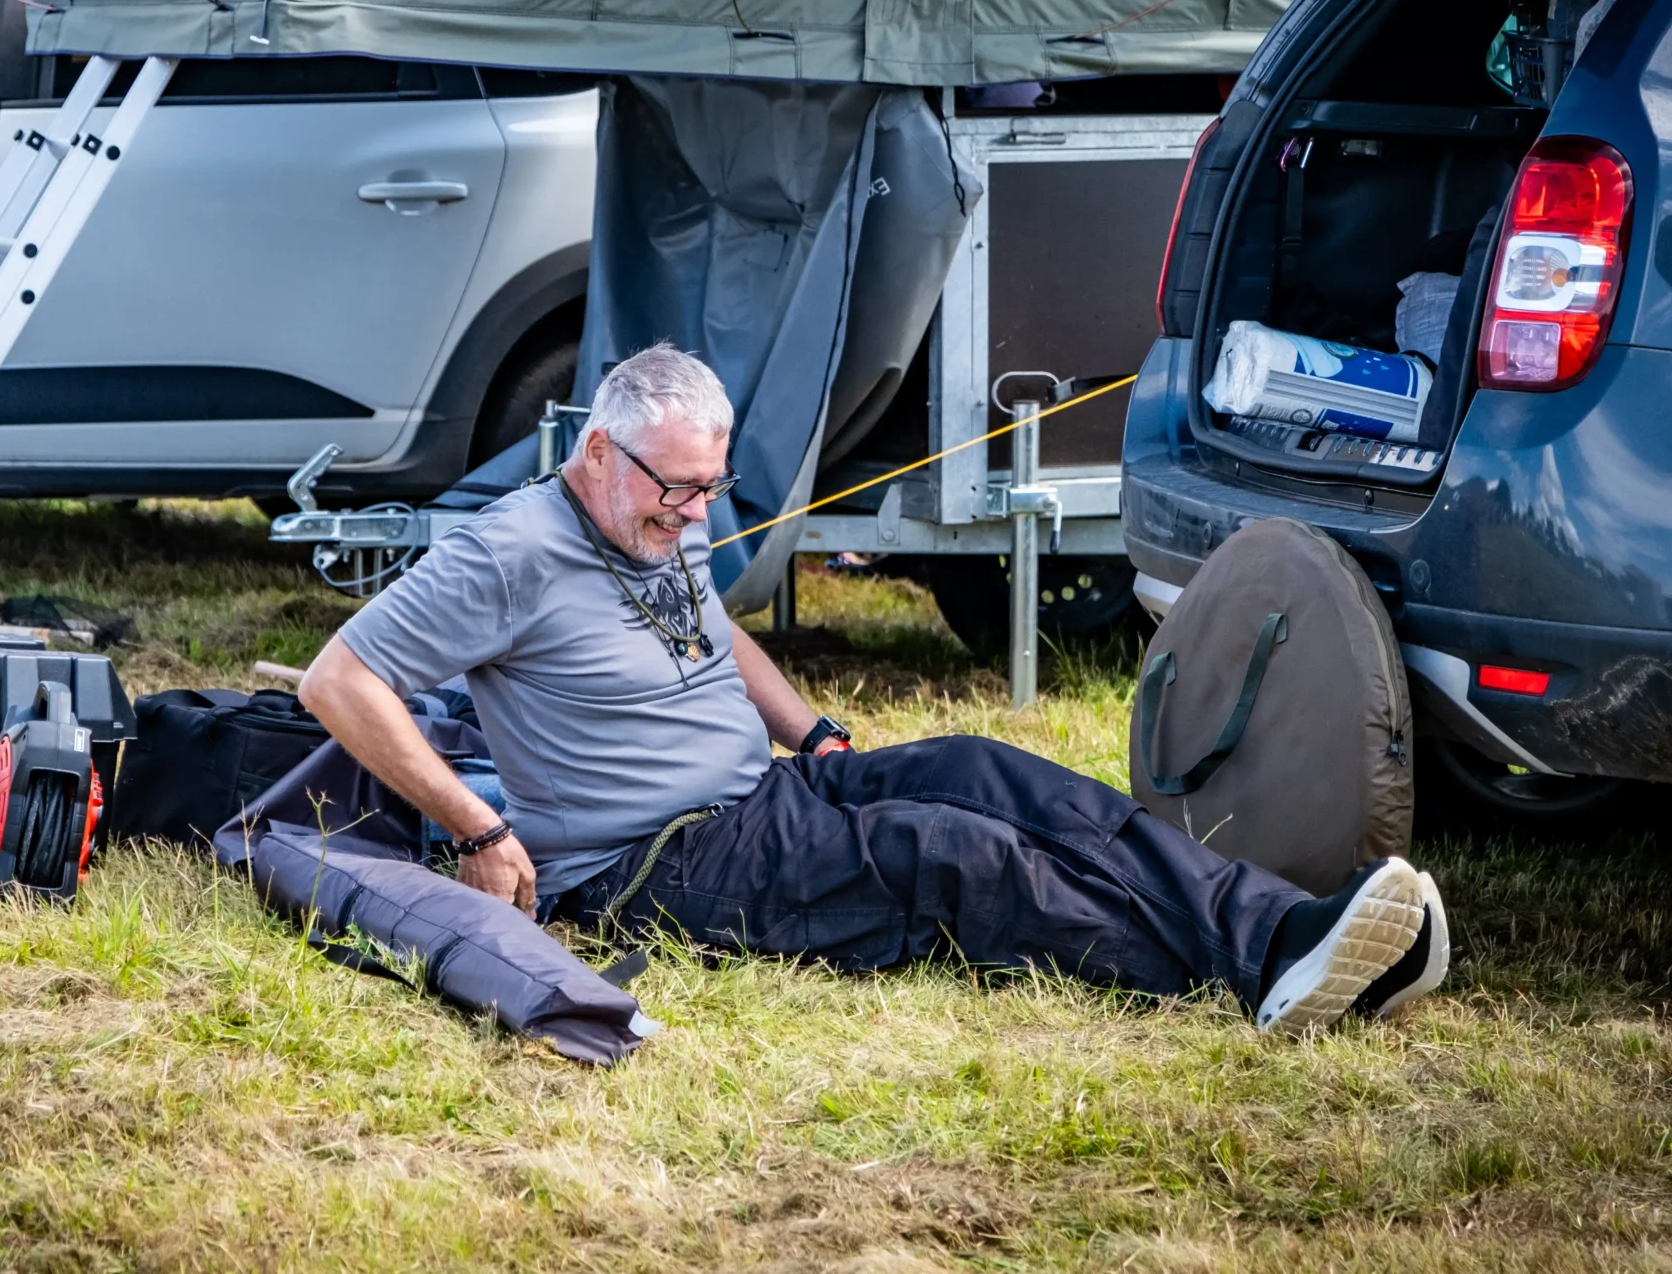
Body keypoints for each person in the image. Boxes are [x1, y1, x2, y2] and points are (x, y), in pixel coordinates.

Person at [300, 343, 1450, 1034]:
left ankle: (1278, 922)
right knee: (948, 855)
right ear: (598, 452)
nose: (697, 512)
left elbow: (710, 634)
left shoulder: (659, 519)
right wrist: (481, 826)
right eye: (677, 487)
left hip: (761, 794)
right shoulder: (506, 553)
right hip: (656, 863)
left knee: (983, 769)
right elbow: (337, 680)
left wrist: (813, 733)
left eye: (712, 485)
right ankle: (1254, 977)